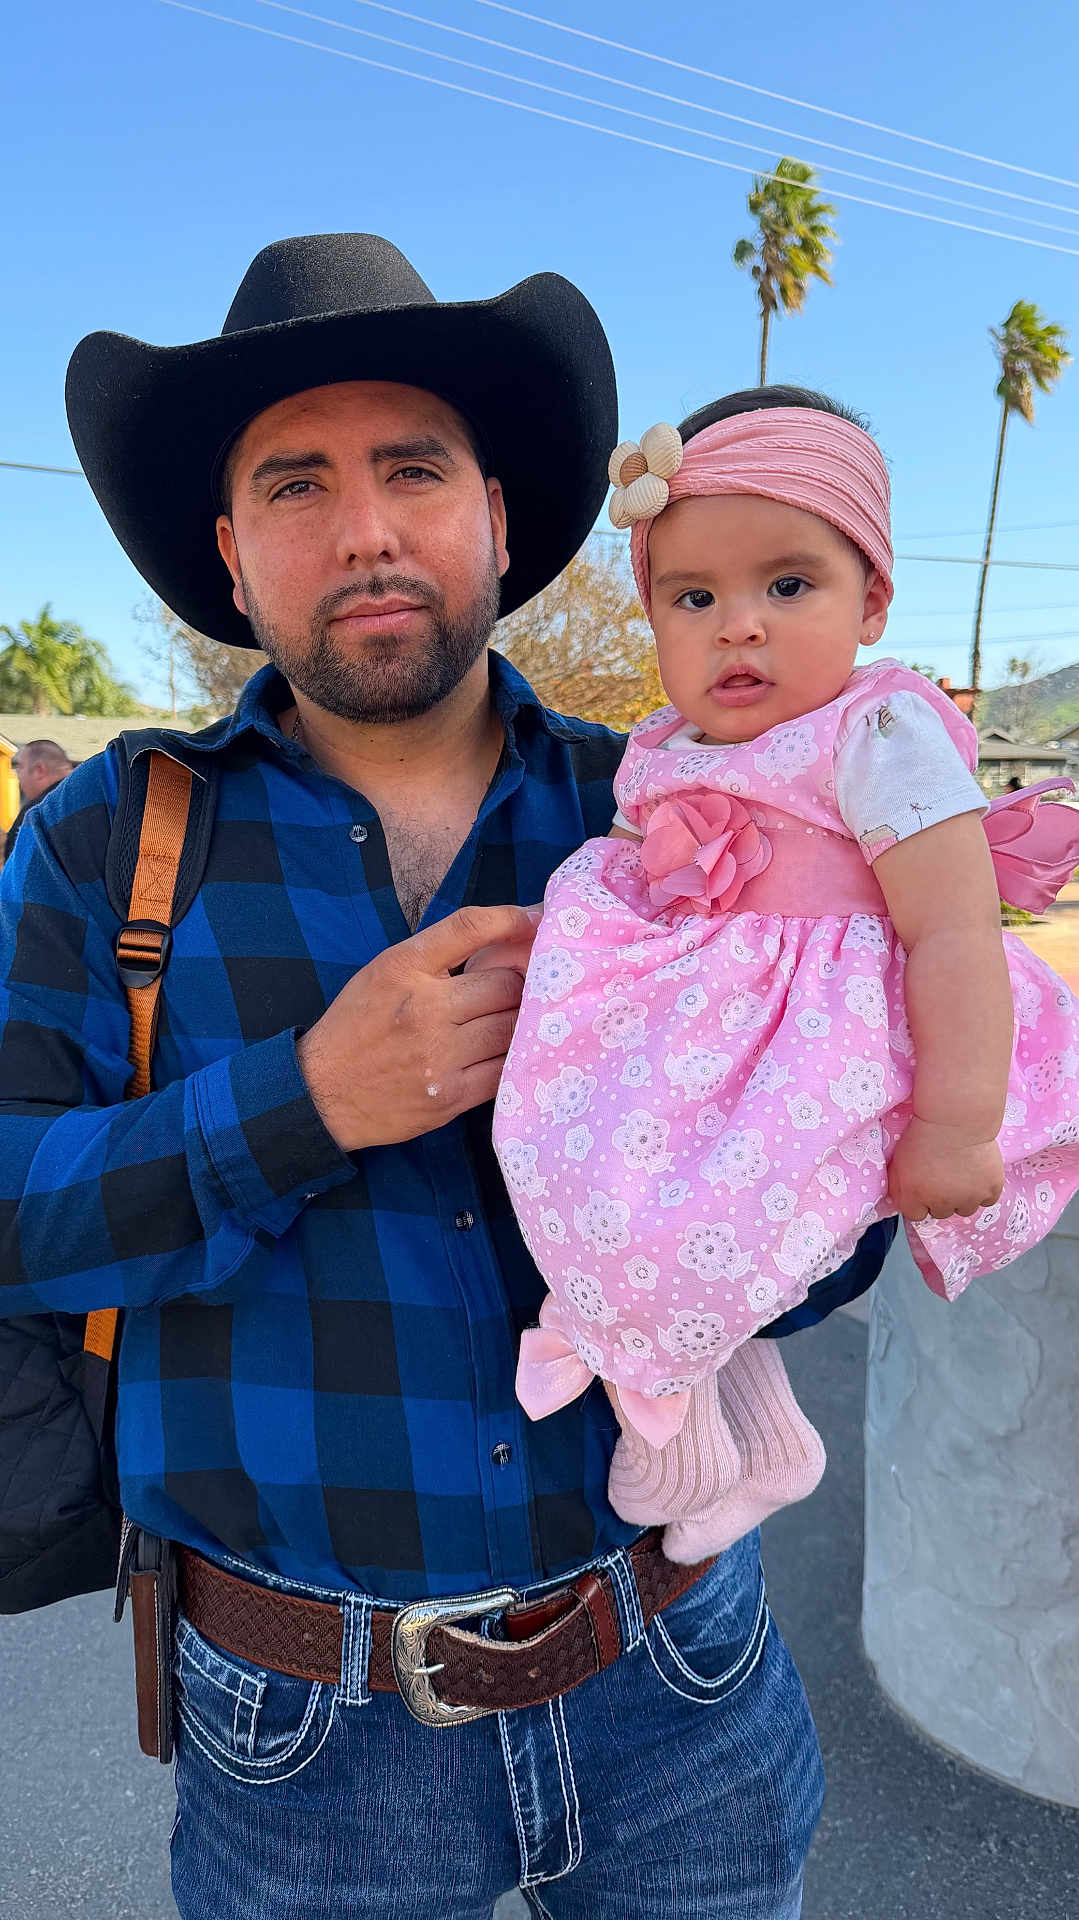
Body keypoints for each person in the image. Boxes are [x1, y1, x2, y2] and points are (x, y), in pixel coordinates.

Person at [0, 243, 893, 1920]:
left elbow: (834, 1224)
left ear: (495, 514)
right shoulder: (102, 842)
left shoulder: (675, 818)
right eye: (295, 484)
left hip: (679, 1676)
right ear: (230, 554)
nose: (365, 531)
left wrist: (820, 1175)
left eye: (412, 469)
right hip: (301, 1744)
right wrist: (304, 1101)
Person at [494, 387, 1079, 1564]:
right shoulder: (663, 748)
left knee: (681, 1220)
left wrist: (957, 1126)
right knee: (639, 1180)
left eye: (787, 585)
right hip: (711, 1032)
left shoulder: (876, 735)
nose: (737, 626)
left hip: (826, 1041)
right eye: (692, 597)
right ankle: (758, 1436)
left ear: (870, 601)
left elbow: (955, 929)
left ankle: (672, 1419)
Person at [2, 737, 74, 863]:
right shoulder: (92, 797)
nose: (17, 774)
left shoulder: (37, 812)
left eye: (20, 767)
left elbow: (18, 873)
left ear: (39, 770)